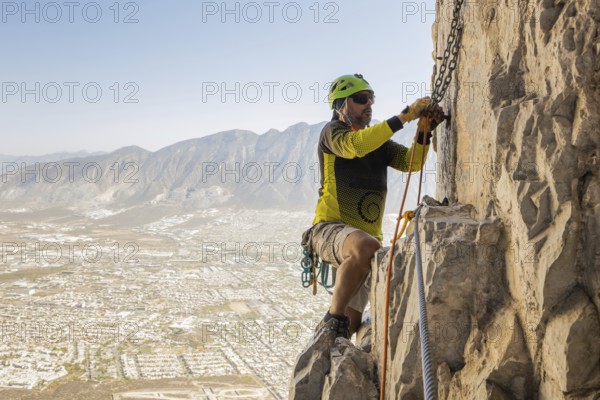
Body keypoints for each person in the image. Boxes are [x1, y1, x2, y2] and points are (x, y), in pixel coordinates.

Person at [301, 73, 443, 339]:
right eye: (361, 99)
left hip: (362, 242)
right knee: (365, 247)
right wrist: (404, 116)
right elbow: (355, 147)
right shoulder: (333, 134)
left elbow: (410, 163)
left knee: (351, 323)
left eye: (371, 98)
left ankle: (336, 338)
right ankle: (331, 320)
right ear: (341, 105)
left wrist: (423, 132)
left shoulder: (377, 144)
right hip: (330, 229)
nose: (369, 104)